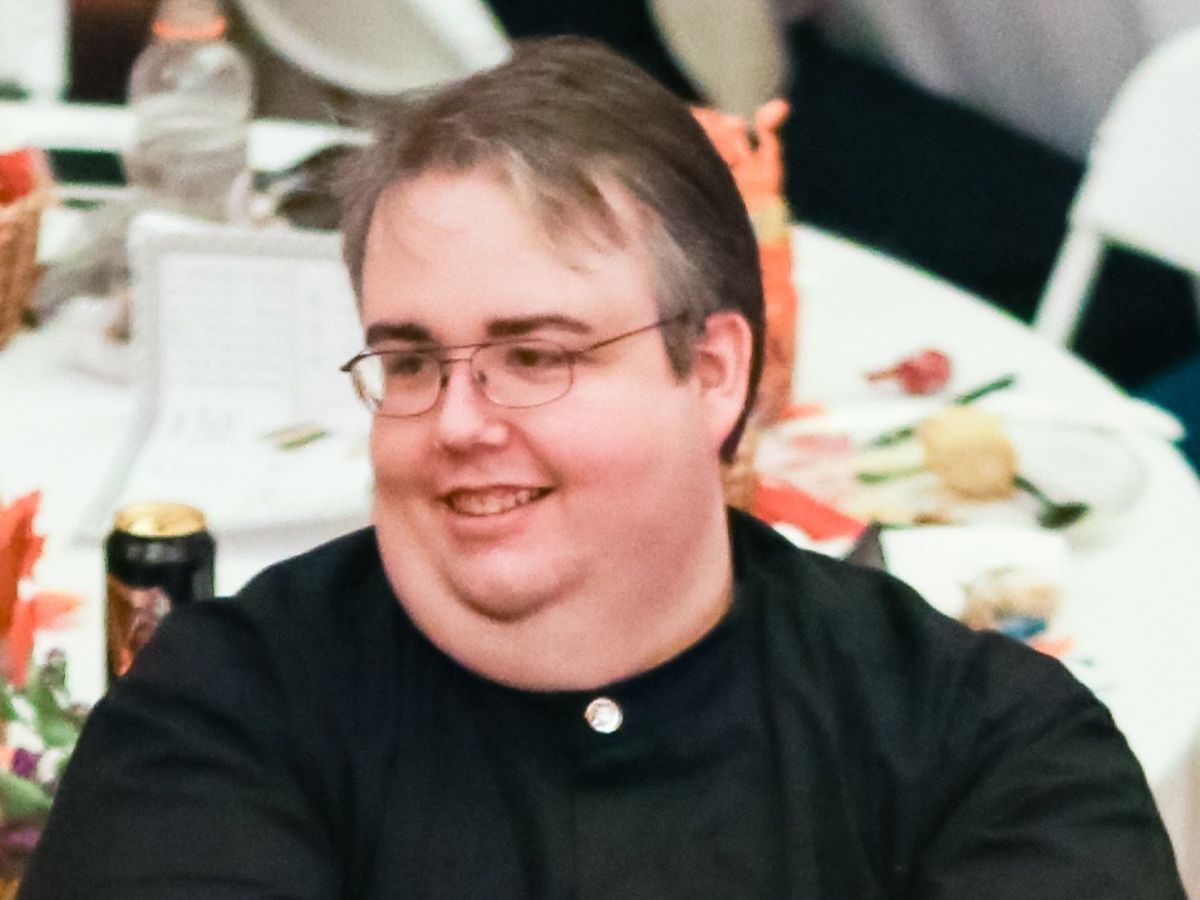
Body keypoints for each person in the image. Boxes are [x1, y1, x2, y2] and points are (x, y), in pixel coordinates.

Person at [20, 37, 1185, 898]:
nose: (458, 420)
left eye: (535, 355)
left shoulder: (987, 753)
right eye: (412, 361)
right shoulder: (216, 716)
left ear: (715, 372)